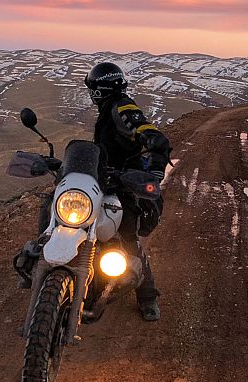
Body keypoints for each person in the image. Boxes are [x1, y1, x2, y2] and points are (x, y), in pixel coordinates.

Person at [84, 62, 171, 321]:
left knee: (128, 240)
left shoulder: (121, 106)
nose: (91, 93)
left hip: (124, 183)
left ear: (101, 89)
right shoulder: (108, 108)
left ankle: (147, 297)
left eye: (93, 88)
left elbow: (147, 131)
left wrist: (155, 164)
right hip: (101, 179)